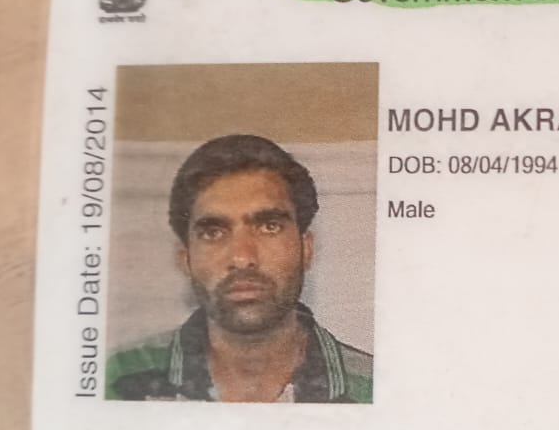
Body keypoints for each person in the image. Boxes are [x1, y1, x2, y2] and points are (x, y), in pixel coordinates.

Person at [106, 134, 373, 402]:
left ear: (307, 249)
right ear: (185, 258)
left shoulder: (374, 388)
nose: (243, 257)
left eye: (269, 227)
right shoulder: (115, 381)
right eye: (213, 232)